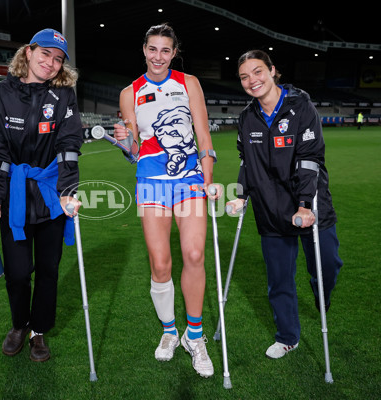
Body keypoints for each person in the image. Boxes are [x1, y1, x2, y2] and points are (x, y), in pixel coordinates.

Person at [113, 23, 220, 378]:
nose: (158, 56)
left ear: (174, 53)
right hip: (151, 181)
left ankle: (195, 335)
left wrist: (207, 177)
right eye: (152, 49)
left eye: (165, 50)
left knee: (194, 254)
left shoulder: (189, 83)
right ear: (143, 49)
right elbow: (132, 148)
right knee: (160, 263)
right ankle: (170, 332)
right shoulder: (130, 92)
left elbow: (202, 132)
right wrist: (122, 139)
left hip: (189, 178)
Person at [226, 50, 343, 359]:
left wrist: (305, 205)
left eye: (258, 72)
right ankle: (287, 336)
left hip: (310, 206)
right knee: (279, 279)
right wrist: (240, 195)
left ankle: (322, 294)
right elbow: (246, 163)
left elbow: (309, 159)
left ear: (273, 70)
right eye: (244, 77)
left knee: (328, 265)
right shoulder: (246, 117)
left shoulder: (302, 107)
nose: (252, 80)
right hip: (271, 210)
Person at [0, 28, 83, 363]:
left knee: (49, 269)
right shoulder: (1, 94)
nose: (51, 63)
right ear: (28, 52)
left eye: (58, 59)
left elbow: (69, 146)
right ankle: (19, 324)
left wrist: (68, 193)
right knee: (19, 271)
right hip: (15, 194)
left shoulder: (64, 96)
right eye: (46, 54)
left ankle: (39, 331)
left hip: (51, 193)